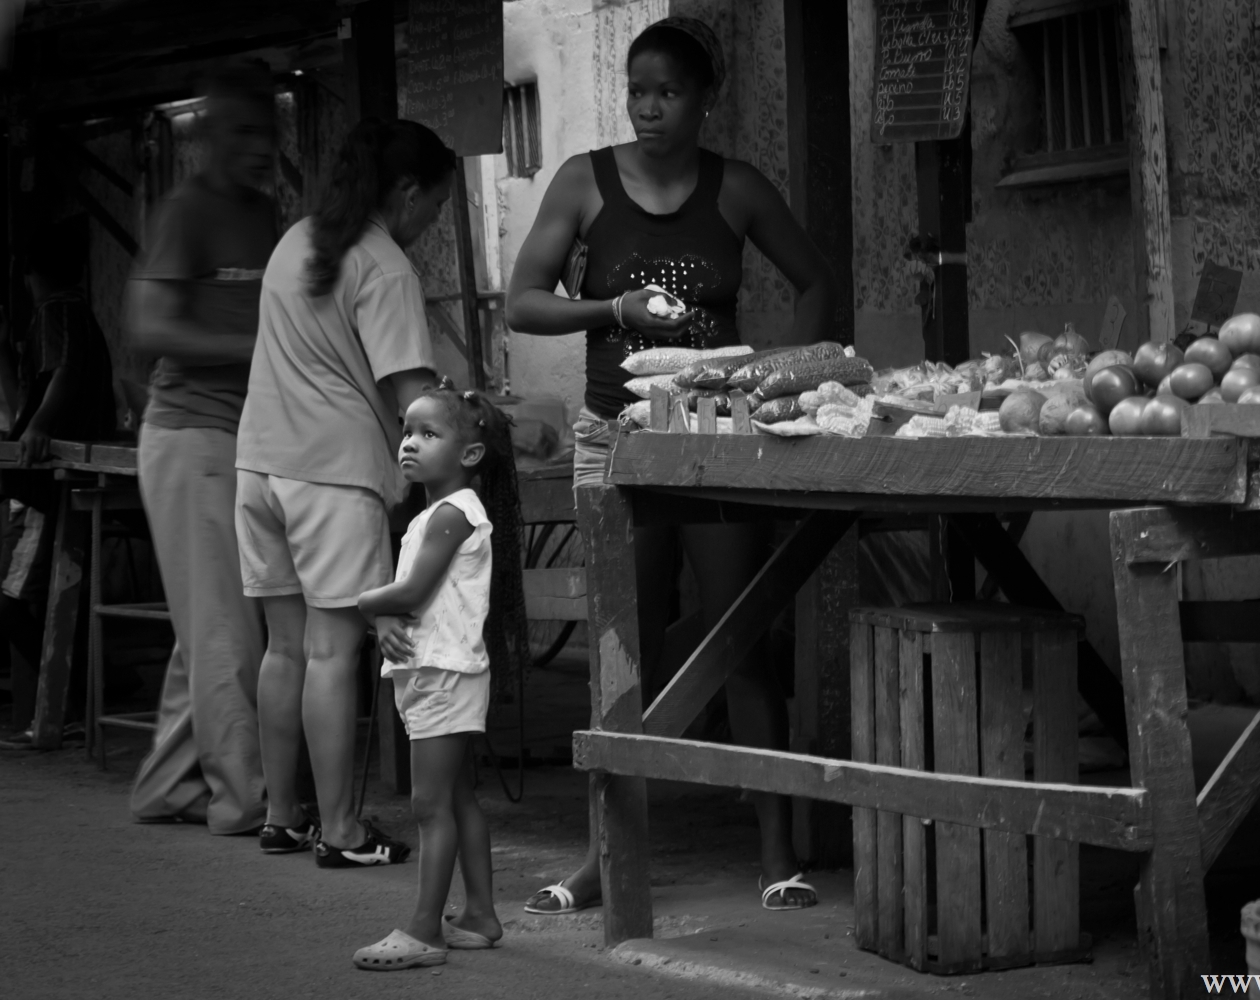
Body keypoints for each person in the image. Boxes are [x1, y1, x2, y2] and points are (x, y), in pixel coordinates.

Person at [505, 16, 835, 912]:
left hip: (719, 436)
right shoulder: (584, 182)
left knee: (741, 635)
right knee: (625, 643)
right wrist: (611, 308)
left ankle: (777, 854)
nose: (649, 109)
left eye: (669, 92)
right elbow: (522, 306)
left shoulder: (737, 190)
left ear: (704, 100)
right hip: (616, 438)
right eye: (637, 91)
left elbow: (815, 282)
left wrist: (782, 384)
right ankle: (601, 856)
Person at [236, 118, 453, 867]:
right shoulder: (385, 265)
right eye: (434, 209)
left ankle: (282, 815)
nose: (430, 226)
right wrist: (484, 424)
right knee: (333, 653)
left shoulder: (296, 240)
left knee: (285, 649)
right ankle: (343, 831)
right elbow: (415, 398)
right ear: (409, 192)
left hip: (259, 465)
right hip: (331, 476)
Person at [126, 62, 279, 833]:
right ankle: (245, 799)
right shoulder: (186, 211)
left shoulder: (268, 214)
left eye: (268, 131)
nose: (259, 147)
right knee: (225, 632)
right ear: (205, 140)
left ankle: (168, 786)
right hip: (189, 435)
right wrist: (253, 345)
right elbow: (148, 327)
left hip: (239, 436)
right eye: (242, 132)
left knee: (210, 626)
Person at [351, 380, 505, 971]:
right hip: (437, 671)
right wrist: (387, 612)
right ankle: (480, 916)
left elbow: (413, 590)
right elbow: (420, 598)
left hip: (443, 675)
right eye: (407, 431)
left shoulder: (451, 513)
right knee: (457, 796)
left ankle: (423, 931)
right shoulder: (434, 515)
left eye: (428, 434)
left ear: (469, 455)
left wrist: (365, 602)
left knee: (428, 804)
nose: (409, 444)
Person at [0, 221, 116, 747]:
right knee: (39, 598)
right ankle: (87, 692)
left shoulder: (57, 309)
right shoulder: (73, 309)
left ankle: (69, 703)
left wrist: (41, 427)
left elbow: (63, 371)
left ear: (31, 275)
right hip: (56, 475)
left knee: (15, 599)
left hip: (53, 480)